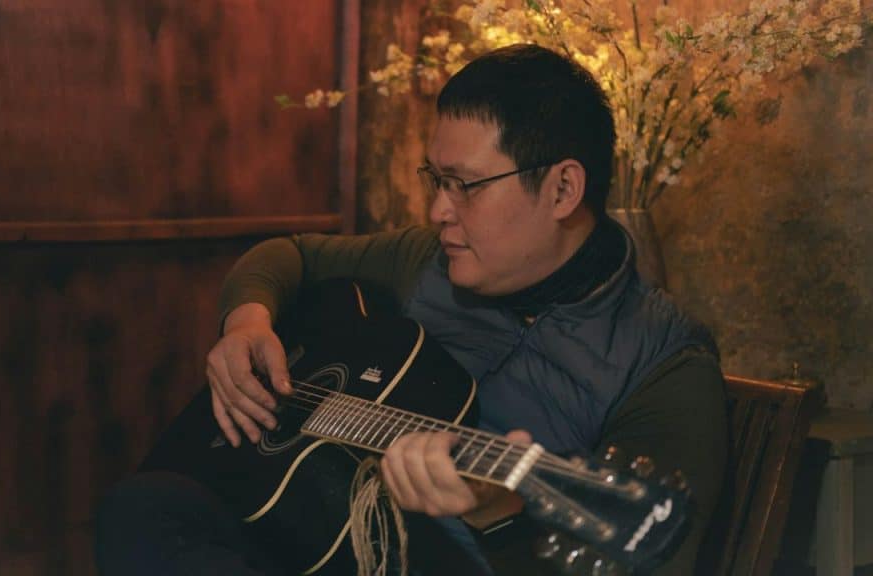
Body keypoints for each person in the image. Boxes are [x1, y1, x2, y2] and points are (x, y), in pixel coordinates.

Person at [95, 44, 728, 575]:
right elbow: (287, 257)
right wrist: (247, 321)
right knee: (144, 505)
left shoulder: (664, 364)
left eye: (465, 186)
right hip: (298, 531)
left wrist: (495, 517)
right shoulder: (427, 260)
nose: (438, 212)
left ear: (562, 188)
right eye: (437, 180)